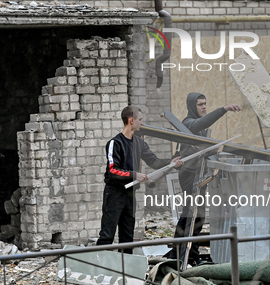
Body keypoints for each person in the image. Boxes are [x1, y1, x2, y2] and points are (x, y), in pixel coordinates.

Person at [96, 105, 183, 253]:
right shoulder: (115, 143)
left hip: (130, 194)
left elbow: (154, 161)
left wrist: (171, 163)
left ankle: (124, 271)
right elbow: (112, 170)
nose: (142, 123)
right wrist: (134, 175)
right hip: (114, 193)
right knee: (107, 235)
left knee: (127, 236)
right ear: (131, 120)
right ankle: (98, 269)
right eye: (140, 120)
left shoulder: (139, 143)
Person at [171, 92, 241, 265]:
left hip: (198, 174)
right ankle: (190, 256)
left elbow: (199, 149)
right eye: (200, 104)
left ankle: (177, 253)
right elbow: (201, 124)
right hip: (190, 176)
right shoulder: (188, 123)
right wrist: (223, 109)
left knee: (190, 215)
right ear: (192, 107)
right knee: (195, 216)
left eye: (205, 104)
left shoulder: (199, 128)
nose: (203, 107)